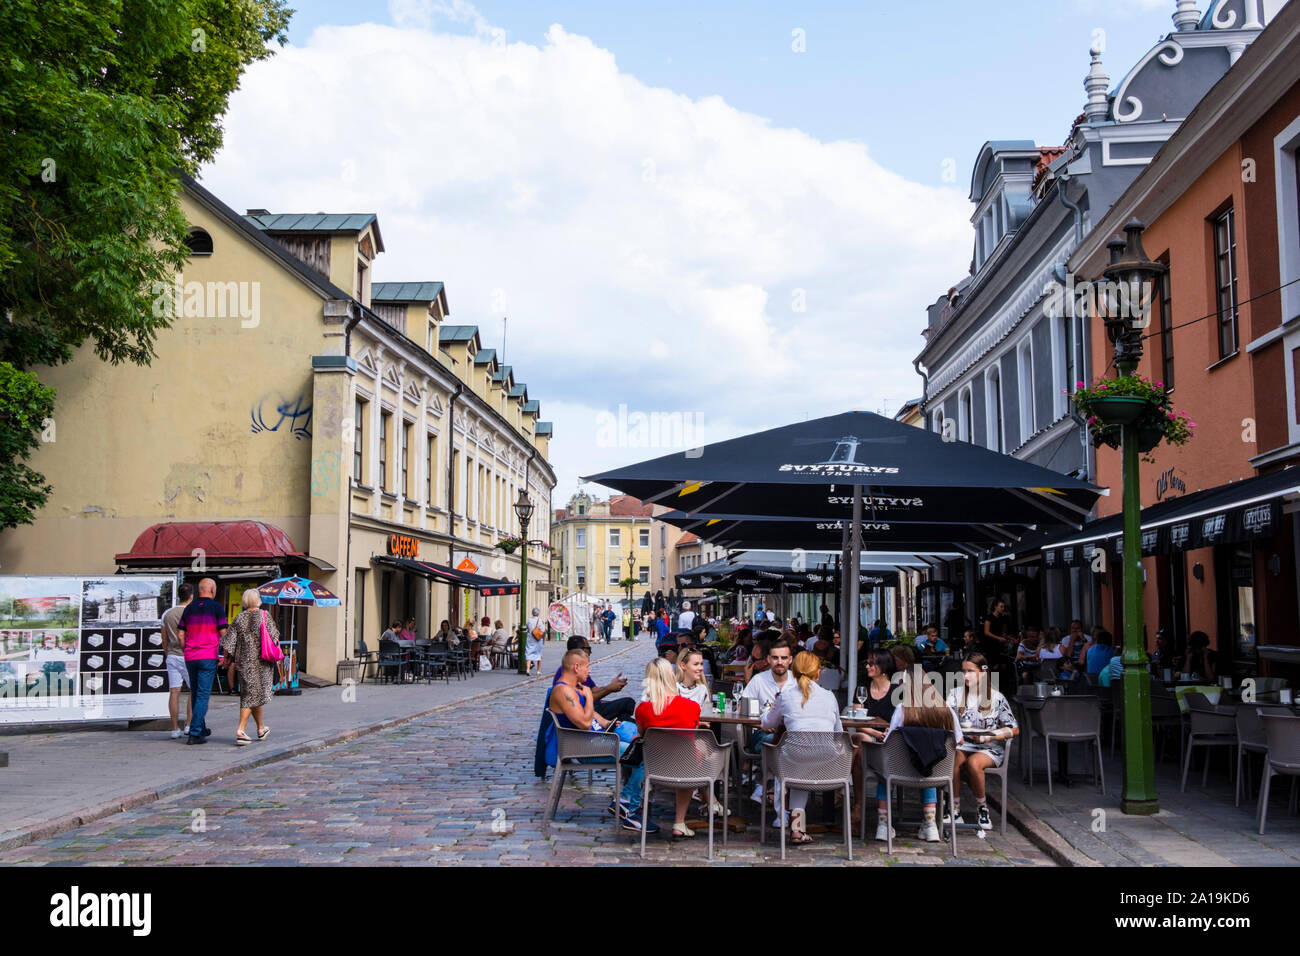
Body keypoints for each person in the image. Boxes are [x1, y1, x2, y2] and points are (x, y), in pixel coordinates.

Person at [866, 670, 962, 842]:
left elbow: (889, 742)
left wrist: (890, 734)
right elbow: (959, 740)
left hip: (900, 771)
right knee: (929, 763)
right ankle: (930, 824)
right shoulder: (946, 709)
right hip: (935, 772)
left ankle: (883, 824)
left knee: (883, 774)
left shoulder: (902, 710)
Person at [761, 651, 843, 844]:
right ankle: (798, 830)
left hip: (794, 761)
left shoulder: (786, 696)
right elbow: (839, 734)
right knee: (804, 758)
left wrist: (769, 710)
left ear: (793, 670)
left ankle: (785, 817)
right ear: (818, 673)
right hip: (829, 764)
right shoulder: (830, 696)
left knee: (793, 755)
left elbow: (766, 723)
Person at [632, 658, 704, 837]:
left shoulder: (643, 709)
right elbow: (691, 734)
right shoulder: (692, 707)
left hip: (654, 767)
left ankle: (633, 803)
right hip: (688, 768)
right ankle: (679, 822)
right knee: (698, 750)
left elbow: (642, 734)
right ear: (672, 677)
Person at [946, 653, 1017, 829]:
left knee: (974, 763)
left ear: (983, 673)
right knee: (953, 760)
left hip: (989, 746)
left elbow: (1013, 728)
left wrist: (988, 736)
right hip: (963, 743)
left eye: (970, 671)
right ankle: (954, 809)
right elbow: (946, 720)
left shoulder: (996, 697)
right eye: (963, 671)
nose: (965, 676)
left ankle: (982, 808)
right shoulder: (955, 694)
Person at [740, 638, 796, 804]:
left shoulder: (797, 681)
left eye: (784, 658)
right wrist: (762, 725)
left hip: (792, 734)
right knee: (775, 742)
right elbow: (742, 711)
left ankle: (764, 786)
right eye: (775, 658)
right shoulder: (759, 680)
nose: (780, 662)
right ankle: (775, 790)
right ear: (769, 660)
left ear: (790, 660)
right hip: (762, 733)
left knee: (788, 743)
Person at [219, 589, 278, 745]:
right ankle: (241, 730)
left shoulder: (239, 618)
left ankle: (261, 728)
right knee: (250, 696)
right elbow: (275, 637)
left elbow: (228, 642)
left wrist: (227, 659)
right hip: (262, 663)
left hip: (244, 663)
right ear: (258, 600)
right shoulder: (265, 616)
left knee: (252, 694)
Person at [176, 577, 227, 745]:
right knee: (203, 695)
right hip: (207, 656)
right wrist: (226, 654)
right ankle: (195, 732)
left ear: (199, 590)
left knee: (196, 692)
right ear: (212, 590)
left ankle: (202, 728)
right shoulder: (216, 608)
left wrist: (186, 649)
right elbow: (223, 634)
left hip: (191, 656)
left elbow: (180, 634)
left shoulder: (189, 609)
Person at [552, 635, 634, 721]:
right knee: (628, 704)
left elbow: (594, 690)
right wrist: (608, 689)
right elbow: (583, 708)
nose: (590, 652)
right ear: (580, 651)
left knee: (624, 718)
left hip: (593, 709)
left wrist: (611, 686)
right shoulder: (567, 675)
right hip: (589, 710)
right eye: (588, 649)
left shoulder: (581, 670)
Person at [160, 583, 195, 739]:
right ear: (191, 596)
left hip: (172, 655)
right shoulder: (192, 612)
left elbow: (164, 639)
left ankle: (174, 728)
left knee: (174, 692)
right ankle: (188, 724)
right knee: (193, 691)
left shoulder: (167, 614)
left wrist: (167, 652)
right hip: (188, 655)